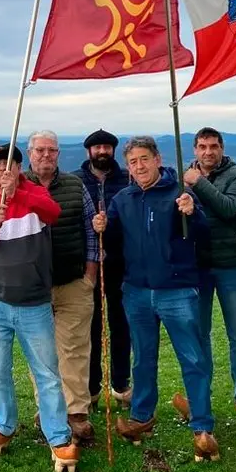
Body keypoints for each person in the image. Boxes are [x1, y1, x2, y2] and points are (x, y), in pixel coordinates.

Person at [92, 136, 219, 462]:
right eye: (133, 162)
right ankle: (141, 417)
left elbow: (203, 233)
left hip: (177, 290)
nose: (139, 166)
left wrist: (193, 212)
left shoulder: (179, 193)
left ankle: (203, 427)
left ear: (157, 158)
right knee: (142, 359)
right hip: (136, 291)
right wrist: (101, 225)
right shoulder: (123, 198)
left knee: (192, 359)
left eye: (144, 159)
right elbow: (112, 235)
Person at [0, 143, 79, 472]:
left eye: (9, 164)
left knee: (46, 374)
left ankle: (58, 436)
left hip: (33, 303)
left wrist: (17, 193)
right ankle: (3, 425)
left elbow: (53, 213)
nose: (2, 171)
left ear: (18, 168)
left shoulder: (35, 196)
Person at [179, 127, 236, 430]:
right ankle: (199, 396)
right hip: (197, 266)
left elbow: (229, 209)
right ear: (195, 149)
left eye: (214, 146)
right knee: (199, 336)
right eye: (202, 147)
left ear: (222, 148)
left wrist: (198, 184)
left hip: (230, 265)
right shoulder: (185, 177)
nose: (208, 152)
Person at [24, 130, 99, 442]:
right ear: (30, 154)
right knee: (40, 352)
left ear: (58, 154)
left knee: (75, 348)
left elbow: (90, 228)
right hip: (31, 287)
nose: (45, 155)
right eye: (40, 150)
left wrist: (91, 275)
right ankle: (48, 411)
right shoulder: (18, 186)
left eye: (51, 150)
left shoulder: (74, 184)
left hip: (73, 281)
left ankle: (77, 413)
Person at [72, 129, 133, 412]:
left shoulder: (127, 178)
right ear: (89, 152)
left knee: (121, 325)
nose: (102, 152)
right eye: (97, 148)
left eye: (107, 147)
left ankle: (121, 384)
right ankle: (92, 387)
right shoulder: (75, 180)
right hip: (88, 264)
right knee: (91, 326)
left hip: (122, 261)